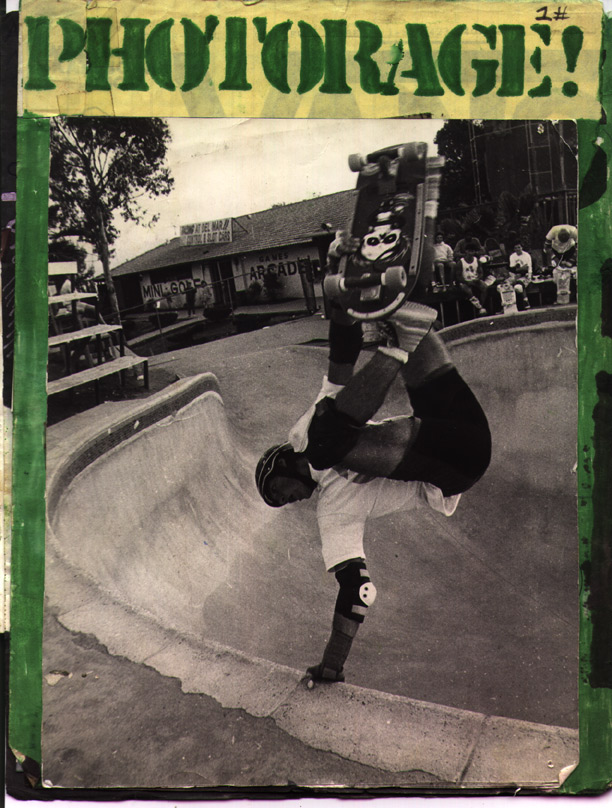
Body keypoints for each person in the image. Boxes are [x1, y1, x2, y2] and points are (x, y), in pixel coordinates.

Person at [255, 266, 491, 684]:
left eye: (278, 491)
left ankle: (379, 294)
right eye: (282, 503)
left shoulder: (309, 434)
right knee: (322, 441)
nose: (287, 501)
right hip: (457, 464)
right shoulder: (332, 515)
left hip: (452, 422)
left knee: (398, 315)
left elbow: (341, 358)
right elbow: (357, 589)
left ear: (282, 463)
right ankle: (396, 345)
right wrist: (332, 662)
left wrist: (339, 300)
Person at [453, 241, 489, 316]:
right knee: (468, 291)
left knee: (484, 287)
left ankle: (481, 305)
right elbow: (458, 276)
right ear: (466, 251)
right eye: (469, 251)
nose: (470, 253)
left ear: (474, 252)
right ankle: (478, 307)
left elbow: (481, 273)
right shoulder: (460, 262)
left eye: (472, 251)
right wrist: (466, 282)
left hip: (475, 280)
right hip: (465, 281)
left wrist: (478, 279)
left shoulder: (477, 261)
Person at [506, 241, 532, 310]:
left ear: (522, 248)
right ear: (514, 249)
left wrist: (525, 272)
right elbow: (513, 269)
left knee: (519, 285)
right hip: (515, 275)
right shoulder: (512, 256)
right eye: (516, 248)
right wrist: (520, 269)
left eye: (519, 247)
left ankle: (525, 301)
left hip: (526, 275)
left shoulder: (527, 255)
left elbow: (528, 268)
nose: (517, 249)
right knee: (506, 285)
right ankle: (507, 304)